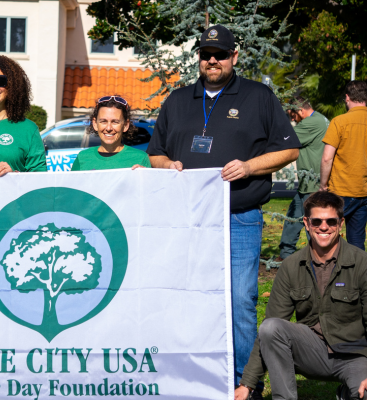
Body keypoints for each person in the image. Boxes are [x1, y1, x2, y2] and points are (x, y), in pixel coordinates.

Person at [146, 24, 300, 396]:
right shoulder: (179, 99)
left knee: (240, 301)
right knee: (185, 296)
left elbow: (289, 150)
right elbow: (155, 152)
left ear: (234, 56)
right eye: (205, 54)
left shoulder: (258, 96)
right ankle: (190, 375)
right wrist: (168, 166)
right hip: (187, 220)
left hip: (239, 217)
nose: (211, 60)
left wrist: (249, 167)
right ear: (198, 58)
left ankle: (243, 384)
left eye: (219, 54)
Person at [236, 191, 367, 400]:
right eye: (317, 221)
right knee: (270, 328)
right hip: (310, 351)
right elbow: (270, 330)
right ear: (306, 223)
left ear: (340, 223)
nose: (324, 227)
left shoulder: (362, 263)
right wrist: (247, 384)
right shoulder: (291, 266)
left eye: (331, 221)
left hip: (354, 355)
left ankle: (348, 391)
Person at [278, 97, 329, 259]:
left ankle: (318, 261)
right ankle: (286, 256)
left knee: (312, 225)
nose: (292, 119)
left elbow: (285, 139)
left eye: (292, 114)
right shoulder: (321, 119)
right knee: (293, 218)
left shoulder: (310, 123)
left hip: (313, 184)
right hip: (307, 184)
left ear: (300, 110)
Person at [320, 80, 367, 250]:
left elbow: (327, 158)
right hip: (363, 191)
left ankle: (327, 271)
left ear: (347, 98)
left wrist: (323, 185)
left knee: (326, 234)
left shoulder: (339, 122)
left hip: (340, 191)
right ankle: (358, 275)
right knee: (357, 241)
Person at [71, 96, 151, 171]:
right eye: (103, 121)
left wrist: (144, 177)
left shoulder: (140, 158)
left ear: (125, 125)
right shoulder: (82, 157)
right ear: (95, 124)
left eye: (115, 122)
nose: (109, 128)